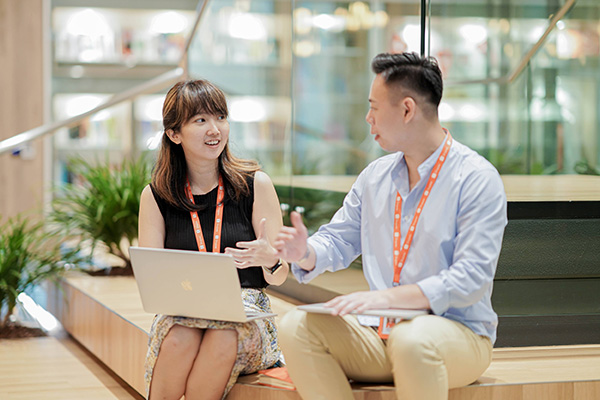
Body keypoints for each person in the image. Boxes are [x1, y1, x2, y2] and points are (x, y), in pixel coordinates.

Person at [273, 52, 507, 400]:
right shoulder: (374, 178)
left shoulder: (476, 178)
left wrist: (384, 298)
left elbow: (470, 279)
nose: (368, 119)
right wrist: (304, 253)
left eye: (374, 107)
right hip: (380, 334)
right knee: (295, 326)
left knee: (413, 339)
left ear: (407, 109)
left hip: (457, 336)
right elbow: (338, 241)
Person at [138, 79, 289, 400]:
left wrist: (270, 258)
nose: (215, 129)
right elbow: (154, 281)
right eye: (200, 120)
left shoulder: (256, 185)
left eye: (220, 117)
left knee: (222, 337)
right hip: (185, 310)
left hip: (246, 312)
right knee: (179, 339)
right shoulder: (155, 197)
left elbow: (280, 275)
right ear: (174, 134)